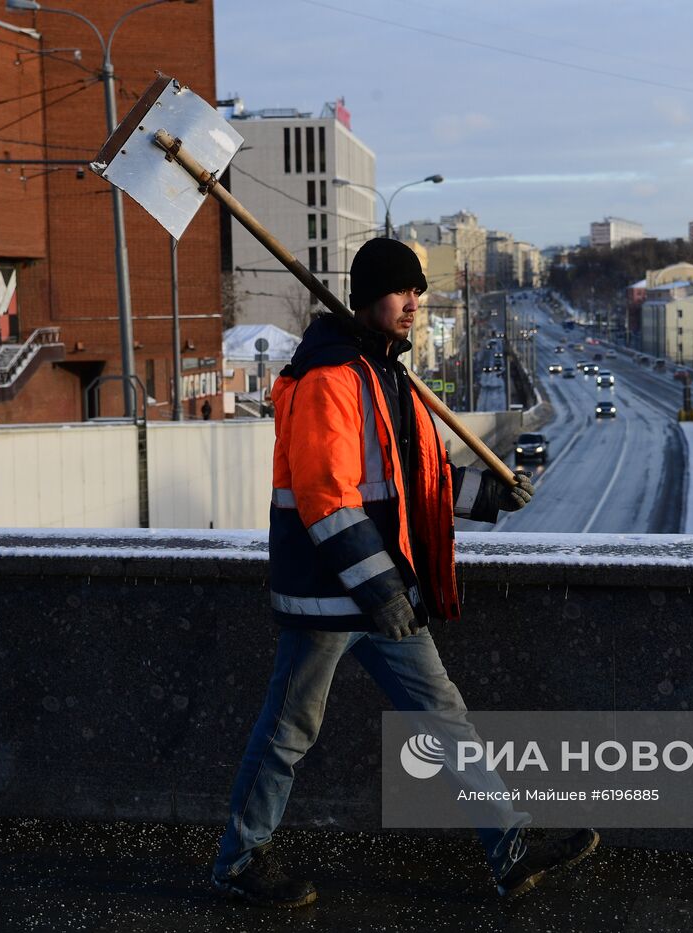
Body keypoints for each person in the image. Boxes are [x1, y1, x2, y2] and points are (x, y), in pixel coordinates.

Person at [210, 237, 597, 908]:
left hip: (384, 592)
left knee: (445, 717)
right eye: (400, 290)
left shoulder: (390, 376)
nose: (413, 302)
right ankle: (238, 862)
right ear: (367, 298)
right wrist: (382, 589)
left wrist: (491, 494)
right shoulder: (328, 378)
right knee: (289, 730)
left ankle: (508, 850)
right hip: (332, 597)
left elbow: (422, 480)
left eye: (417, 290)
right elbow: (327, 499)